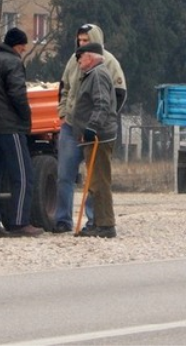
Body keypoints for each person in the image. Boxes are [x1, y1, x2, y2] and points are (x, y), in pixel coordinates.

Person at [53, 24, 127, 233]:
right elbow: (64, 88)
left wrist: (98, 123)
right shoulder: (75, 61)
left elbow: (112, 97)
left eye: (86, 41)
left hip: (94, 130)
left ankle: (97, 221)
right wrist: (63, 113)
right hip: (71, 126)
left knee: (96, 178)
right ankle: (63, 219)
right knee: (65, 175)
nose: (81, 44)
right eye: (80, 40)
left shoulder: (106, 65)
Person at [0, 27, 43, 238]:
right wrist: (26, 118)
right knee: (23, 176)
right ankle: (19, 222)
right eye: (23, 46)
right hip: (9, 128)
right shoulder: (13, 63)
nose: (23, 50)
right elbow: (17, 94)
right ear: (17, 45)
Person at [72, 42, 118, 238]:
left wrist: (92, 126)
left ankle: (106, 225)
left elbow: (102, 103)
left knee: (99, 181)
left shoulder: (97, 74)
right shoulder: (93, 74)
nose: (78, 61)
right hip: (94, 136)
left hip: (99, 136)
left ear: (89, 57)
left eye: (80, 57)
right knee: (94, 181)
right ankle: (98, 223)